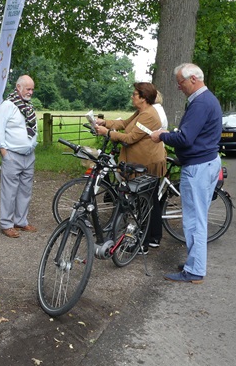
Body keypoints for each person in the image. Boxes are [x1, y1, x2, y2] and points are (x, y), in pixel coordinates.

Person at [151, 63, 222, 283]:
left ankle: (195, 271)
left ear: (193, 79)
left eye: (180, 83)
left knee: (194, 220)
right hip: (207, 162)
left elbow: (185, 138)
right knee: (197, 218)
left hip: (199, 167)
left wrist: (162, 136)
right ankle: (194, 262)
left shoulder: (200, 103)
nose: (179, 87)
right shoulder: (207, 99)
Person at [95, 82, 167, 251]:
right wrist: (104, 122)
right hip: (142, 161)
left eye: (135, 94)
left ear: (143, 98)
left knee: (147, 202)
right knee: (150, 201)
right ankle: (153, 237)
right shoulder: (141, 112)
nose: (132, 97)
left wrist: (107, 133)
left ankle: (145, 242)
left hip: (148, 163)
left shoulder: (148, 115)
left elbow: (130, 138)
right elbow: (124, 124)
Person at [0, 75, 38, 238]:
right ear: (18, 87)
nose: (31, 92)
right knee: (9, 192)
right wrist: (5, 154)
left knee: (25, 190)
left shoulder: (28, 106)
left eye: (32, 89)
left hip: (28, 156)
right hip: (12, 155)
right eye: (28, 89)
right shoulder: (8, 105)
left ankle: (21, 221)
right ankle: (6, 224)